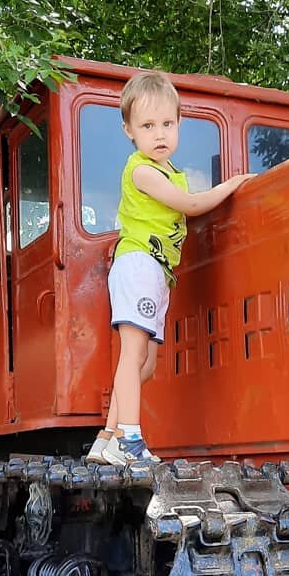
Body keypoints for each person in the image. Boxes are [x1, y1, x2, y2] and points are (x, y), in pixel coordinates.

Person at [86, 71, 253, 466]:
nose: (159, 133)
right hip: (138, 263)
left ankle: (106, 438)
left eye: (167, 123)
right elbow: (190, 205)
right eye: (147, 125)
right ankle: (129, 440)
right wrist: (234, 184)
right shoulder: (142, 171)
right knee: (132, 355)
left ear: (179, 123)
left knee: (146, 362)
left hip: (157, 272)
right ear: (129, 130)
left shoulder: (166, 169)